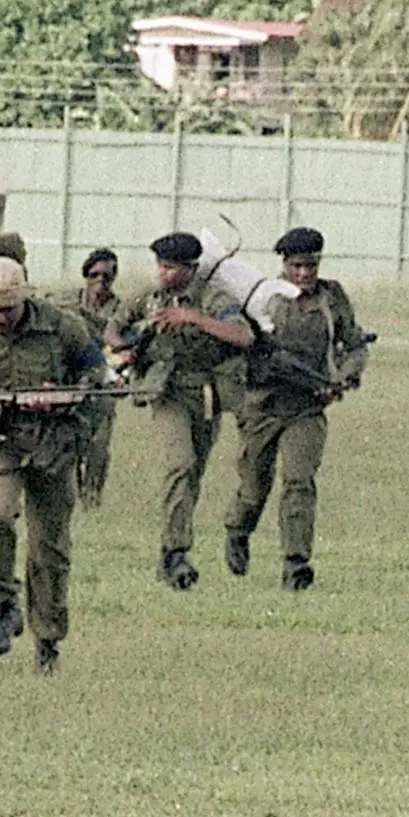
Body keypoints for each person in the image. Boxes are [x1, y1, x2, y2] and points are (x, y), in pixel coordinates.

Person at [0, 255, 107, 671]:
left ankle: (47, 640)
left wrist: (62, 396)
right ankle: (4, 602)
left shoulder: (62, 325)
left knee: (49, 547)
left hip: (52, 442)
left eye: (6, 309)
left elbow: (97, 374)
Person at [224, 226, 372, 593]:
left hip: (307, 408)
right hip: (263, 406)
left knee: (299, 481)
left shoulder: (332, 298)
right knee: (254, 486)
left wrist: (347, 375)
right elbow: (242, 347)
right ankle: (238, 529)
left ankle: (296, 561)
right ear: (284, 266)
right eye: (296, 266)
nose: (304, 274)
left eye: (310, 265)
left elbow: (353, 344)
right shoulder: (265, 298)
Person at [115, 230, 253, 589]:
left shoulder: (214, 297)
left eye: (172, 268)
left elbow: (243, 336)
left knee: (194, 473)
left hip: (205, 394)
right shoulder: (149, 298)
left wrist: (193, 318)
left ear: (191, 269)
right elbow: (114, 329)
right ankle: (176, 551)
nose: (164, 274)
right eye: (161, 266)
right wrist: (128, 347)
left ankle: (169, 552)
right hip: (167, 392)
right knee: (180, 463)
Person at [56, 248, 123, 510]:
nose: (101, 281)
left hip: (103, 383)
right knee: (69, 441)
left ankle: (91, 498)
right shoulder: (68, 304)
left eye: (107, 276)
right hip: (70, 380)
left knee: (98, 446)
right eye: (94, 275)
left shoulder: (120, 309)